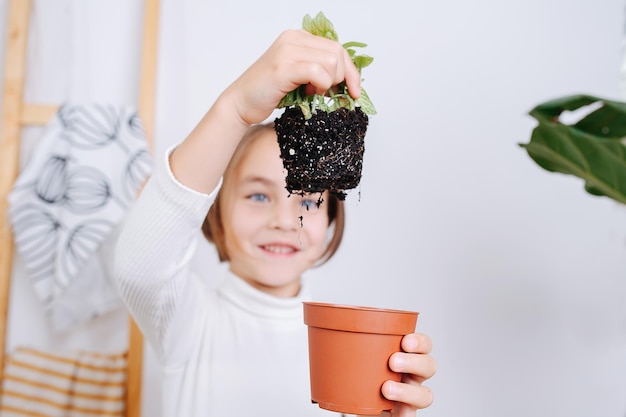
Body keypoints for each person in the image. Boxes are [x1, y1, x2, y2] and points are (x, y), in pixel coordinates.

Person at [115, 29, 436, 417]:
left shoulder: (356, 349)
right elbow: (140, 266)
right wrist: (235, 109)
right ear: (214, 211)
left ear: (332, 220)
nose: (285, 221)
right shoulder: (188, 322)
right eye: (258, 196)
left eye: (308, 200)